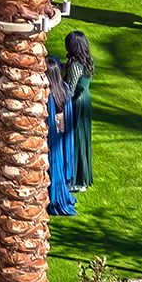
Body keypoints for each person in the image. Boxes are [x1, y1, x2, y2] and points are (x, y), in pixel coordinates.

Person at [44, 57, 78, 216]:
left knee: (51, 163)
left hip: (50, 131)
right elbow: (63, 116)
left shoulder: (47, 92)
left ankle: (52, 198)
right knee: (58, 160)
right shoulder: (63, 88)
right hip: (61, 129)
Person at [63, 30, 95, 191]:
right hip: (86, 101)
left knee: (76, 139)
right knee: (83, 138)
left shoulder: (76, 66)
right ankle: (83, 178)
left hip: (77, 104)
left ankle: (76, 179)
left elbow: (70, 89)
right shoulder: (88, 61)